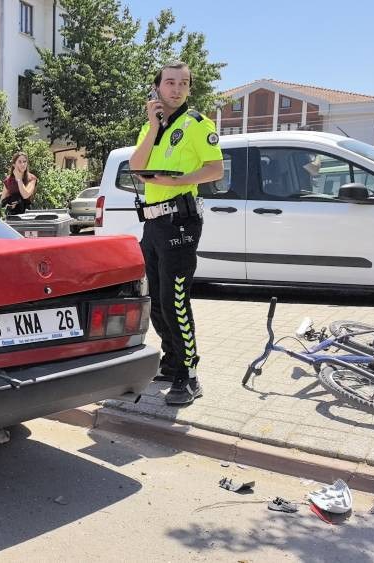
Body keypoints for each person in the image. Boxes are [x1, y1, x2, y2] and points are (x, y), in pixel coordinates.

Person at [128, 60, 224, 406]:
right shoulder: (148, 128)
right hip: (153, 224)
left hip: (181, 222)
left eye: (183, 83)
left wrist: (178, 180)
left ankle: (189, 375)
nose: (177, 89)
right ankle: (171, 363)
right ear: (157, 88)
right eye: (170, 82)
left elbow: (215, 169)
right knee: (155, 299)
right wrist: (153, 127)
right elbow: (137, 168)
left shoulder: (197, 124)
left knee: (175, 299)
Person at [0, 152, 37, 216]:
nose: (23, 164)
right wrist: (10, 204)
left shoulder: (31, 178)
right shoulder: (8, 180)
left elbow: (25, 195)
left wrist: (19, 179)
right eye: (19, 162)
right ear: (14, 165)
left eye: (24, 161)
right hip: (12, 216)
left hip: (27, 214)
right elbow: (2, 201)